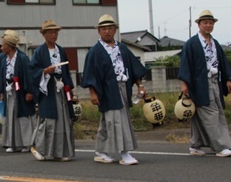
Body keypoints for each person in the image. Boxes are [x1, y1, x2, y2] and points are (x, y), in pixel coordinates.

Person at [81, 14, 147, 166]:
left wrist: (140, 85)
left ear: (115, 29)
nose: (107, 32)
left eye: (110, 28)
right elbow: (90, 74)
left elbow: (134, 68)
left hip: (123, 87)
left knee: (108, 121)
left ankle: (100, 151)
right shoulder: (95, 51)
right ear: (98, 31)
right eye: (103, 29)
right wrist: (93, 93)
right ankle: (124, 153)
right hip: (107, 89)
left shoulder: (122, 48)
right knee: (117, 120)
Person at [178, 10, 231, 157]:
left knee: (202, 114)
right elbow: (185, 64)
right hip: (199, 83)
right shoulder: (191, 44)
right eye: (205, 23)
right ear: (199, 24)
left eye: (211, 23)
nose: (208, 25)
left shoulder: (215, 43)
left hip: (215, 81)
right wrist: (184, 84)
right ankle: (220, 146)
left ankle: (195, 145)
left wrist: (228, 78)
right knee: (211, 114)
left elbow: (222, 62)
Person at [0, 30, 35, 153]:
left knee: (23, 117)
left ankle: (26, 144)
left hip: (21, 93)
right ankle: (12, 143)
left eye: (3, 45)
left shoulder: (22, 58)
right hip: (8, 92)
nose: (1, 48)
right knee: (10, 117)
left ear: (9, 46)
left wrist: (29, 92)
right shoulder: (2, 58)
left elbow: (29, 76)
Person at [29, 20, 75, 161]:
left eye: (55, 32)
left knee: (63, 120)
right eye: (50, 33)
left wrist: (69, 89)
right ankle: (41, 149)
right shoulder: (39, 52)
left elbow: (66, 71)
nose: (53, 35)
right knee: (48, 121)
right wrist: (44, 71)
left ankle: (60, 152)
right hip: (47, 89)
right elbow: (32, 71)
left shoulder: (60, 50)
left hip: (60, 88)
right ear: (44, 35)